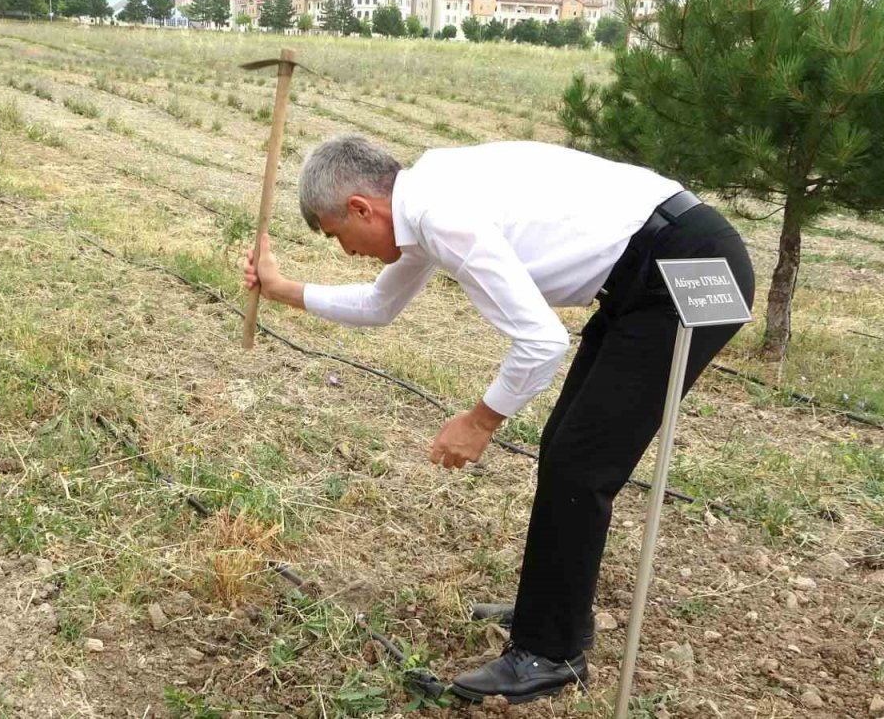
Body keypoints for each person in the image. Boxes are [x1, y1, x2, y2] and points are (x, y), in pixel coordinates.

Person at [242, 136, 755, 704]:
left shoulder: (440, 215)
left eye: (340, 237)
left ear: (363, 208)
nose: (348, 252)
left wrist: (481, 420)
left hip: (684, 267)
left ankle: (551, 652)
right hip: (652, 265)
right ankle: (553, 611)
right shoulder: (424, 197)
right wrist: (281, 290)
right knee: (566, 451)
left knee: (581, 463)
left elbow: (541, 341)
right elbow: (379, 306)